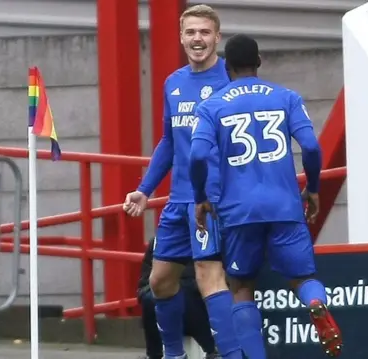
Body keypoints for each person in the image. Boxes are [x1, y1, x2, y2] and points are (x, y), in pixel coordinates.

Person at [189, 34, 342, 359]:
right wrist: (313, 187)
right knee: (303, 279)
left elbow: (198, 156)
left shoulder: (211, 106)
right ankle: (316, 303)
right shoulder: (286, 97)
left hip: (239, 211)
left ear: (226, 67)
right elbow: (312, 147)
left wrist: (201, 196)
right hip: (285, 206)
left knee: (241, 287)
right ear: (259, 63)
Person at [122, 5, 244, 359]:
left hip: (212, 200)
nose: (197, 39)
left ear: (217, 37)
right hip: (177, 201)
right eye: (191, 32)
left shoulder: (230, 80)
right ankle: (174, 355)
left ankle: (228, 354)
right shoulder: (173, 83)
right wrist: (144, 190)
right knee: (159, 282)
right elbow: (169, 142)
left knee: (209, 277)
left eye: (205, 32)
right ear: (181, 37)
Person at [138, 238, 219, 359]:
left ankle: (213, 350)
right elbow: (143, 286)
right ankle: (155, 355)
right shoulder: (158, 242)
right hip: (165, 303)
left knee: (186, 294)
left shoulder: (207, 240)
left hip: (198, 305)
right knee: (151, 298)